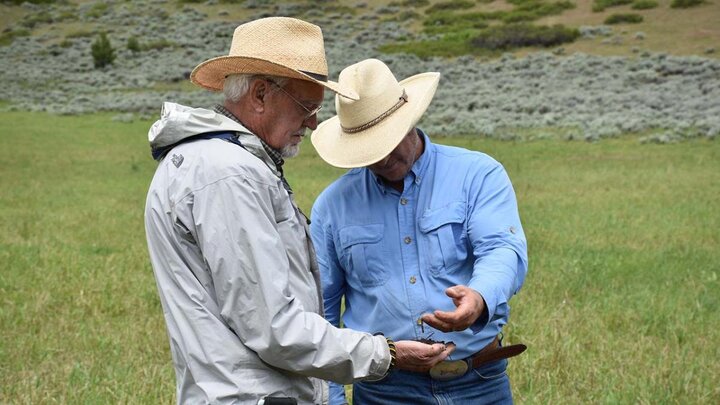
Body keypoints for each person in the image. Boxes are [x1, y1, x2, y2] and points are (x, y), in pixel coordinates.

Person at [144, 19, 454, 404]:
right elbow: (275, 329)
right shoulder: (229, 174)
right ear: (260, 95)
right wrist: (386, 354)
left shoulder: (211, 162)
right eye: (307, 106)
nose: (313, 122)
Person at [309, 58, 529, 405]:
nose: (381, 157)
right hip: (385, 389)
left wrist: (479, 297)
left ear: (410, 120)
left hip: (480, 381)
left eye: (387, 140)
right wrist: (332, 399)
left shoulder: (478, 175)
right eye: (368, 149)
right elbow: (321, 310)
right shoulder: (332, 206)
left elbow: (502, 249)